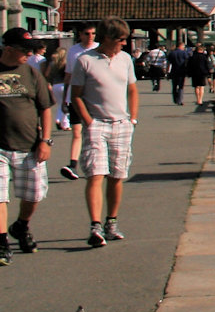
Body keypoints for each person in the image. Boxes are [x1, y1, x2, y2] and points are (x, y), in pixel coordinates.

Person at [68, 16, 139, 248]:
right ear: (107, 37)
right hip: (97, 123)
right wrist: (89, 121)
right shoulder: (85, 60)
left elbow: (132, 89)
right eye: (120, 39)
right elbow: (76, 95)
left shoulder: (125, 59)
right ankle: (95, 225)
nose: (124, 43)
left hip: (121, 123)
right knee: (96, 174)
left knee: (117, 175)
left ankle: (112, 221)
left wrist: (133, 118)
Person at [0, 27, 56, 262]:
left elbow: (45, 108)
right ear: (8, 49)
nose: (29, 54)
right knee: (0, 196)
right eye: (25, 50)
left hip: (29, 145)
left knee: (33, 195)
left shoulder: (32, 73)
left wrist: (46, 141)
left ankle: (21, 226)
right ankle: (2, 242)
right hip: (1, 146)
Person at [48, 23, 95, 181]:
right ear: (80, 34)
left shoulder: (98, 49)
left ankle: (97, 164)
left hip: (93, 97)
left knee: (94, 132)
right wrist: (65, 99)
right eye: (87, 33)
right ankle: (72, 165)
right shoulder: (73, 51)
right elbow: (68, 75)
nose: (90, 37)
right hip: (75, 96)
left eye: (93, 33)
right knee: (77, 132)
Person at [166, 39, 191, 105]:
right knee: (181, 86)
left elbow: (168, 63)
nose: (184, 48)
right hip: (182, 71)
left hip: (173, 71)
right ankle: (180, 100)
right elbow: (187, 62)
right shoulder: (184, 53)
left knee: (174, 86)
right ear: (181, 46)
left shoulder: (172, 53)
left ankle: (175, 99)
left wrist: (167, 71)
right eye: (183, 46)